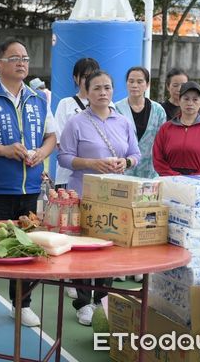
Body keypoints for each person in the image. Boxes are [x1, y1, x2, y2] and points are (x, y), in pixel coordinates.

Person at [0, 38, 57, 331]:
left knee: (27, 247)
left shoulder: (38, 99)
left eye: (25, 58)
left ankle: (23, 304)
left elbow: (51, 137)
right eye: (15, 58)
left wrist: (42, 154)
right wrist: (5, 150)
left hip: (30, 187)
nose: (22, 63)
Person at [58, 70, 141, 326]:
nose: (103, 93)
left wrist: (124, 162)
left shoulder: (123, 121)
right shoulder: (76, 122)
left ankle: (100, 299)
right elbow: (63, 157)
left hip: (114, 197)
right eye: (97, 88)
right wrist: (92, 163)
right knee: (83, 252)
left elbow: (136, 154)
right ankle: (83, 302)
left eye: (107, 87)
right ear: (87, 91)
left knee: (108, 249)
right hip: (83, 194)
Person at [153, 81, 200, 176]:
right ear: (179, 101)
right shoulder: (166, 128)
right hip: (170, 182)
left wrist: (195, 179)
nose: (190, 103)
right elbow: (158, 159)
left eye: (195, 99)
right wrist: (175, 177)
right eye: (186, 99)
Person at [54, 57, 100, 189]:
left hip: (97, 176)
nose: (90, 80)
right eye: (85, 76)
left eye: (93, 75)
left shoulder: (108, 105)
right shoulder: (65, 104)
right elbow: (59, 141)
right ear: (76, 78)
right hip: (68, 175)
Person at [115, 66, 166, 179]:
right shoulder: (116, 109)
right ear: (126, 83)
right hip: (123, 171)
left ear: (147, 84)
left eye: (139, 81)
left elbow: (162, 142)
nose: (134, 85)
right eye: (131, 81)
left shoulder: (158, 110)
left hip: (150, 171)